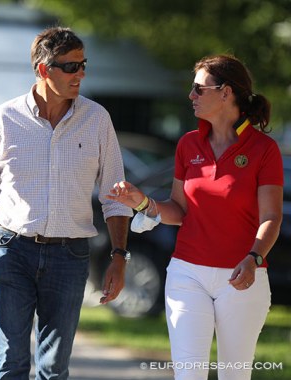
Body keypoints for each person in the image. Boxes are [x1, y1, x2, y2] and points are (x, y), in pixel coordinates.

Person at [0, 26, 133, 379]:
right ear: (44, 70)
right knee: (12, 361)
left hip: (69, 256)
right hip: (10, 251)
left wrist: (119, 257)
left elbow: (115, 198)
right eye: (71, 67)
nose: (81, 74)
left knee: (54, 368)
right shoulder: (4, 118)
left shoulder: (98, 120)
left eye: (83, 65)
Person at [108, 54, 283, 380]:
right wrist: (143, 201)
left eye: (199, 89)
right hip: (187, 274)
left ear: (226, 92)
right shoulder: (188, 144)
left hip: (243, 277)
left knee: (235, 374)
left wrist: (255, 256)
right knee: (189, 374)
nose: (191, 96)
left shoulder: (264, 149)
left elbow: (271, 216)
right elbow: (179, 211)